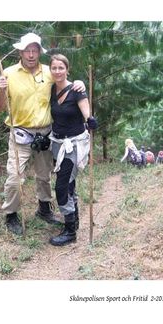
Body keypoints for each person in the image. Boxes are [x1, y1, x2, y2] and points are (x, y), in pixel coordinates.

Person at [0, 34, 85, 235]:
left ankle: (44, 209)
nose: (31, 54)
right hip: (20, 135)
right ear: (21, 52)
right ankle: (11, 214)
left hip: (46, 134)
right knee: (14, 177)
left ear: (39, 52)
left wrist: (80, 83)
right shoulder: (7, 74)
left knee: (44, 176)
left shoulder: (49, 72)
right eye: (27, 50)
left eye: (35, 50)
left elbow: (66, 83)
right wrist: (1, 91)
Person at [47, 53, 98, 246]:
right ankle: (74, 219)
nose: (58, 71)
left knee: (61, 187)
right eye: (54, 68)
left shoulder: (77, 89)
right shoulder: (52, 89)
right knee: (68, 184)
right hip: (57, 144)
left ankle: (69, 231)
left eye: (61, 68)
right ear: (50, 70)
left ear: (67, 70)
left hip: (74, 145)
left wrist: (91, 120)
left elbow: (87, 114)